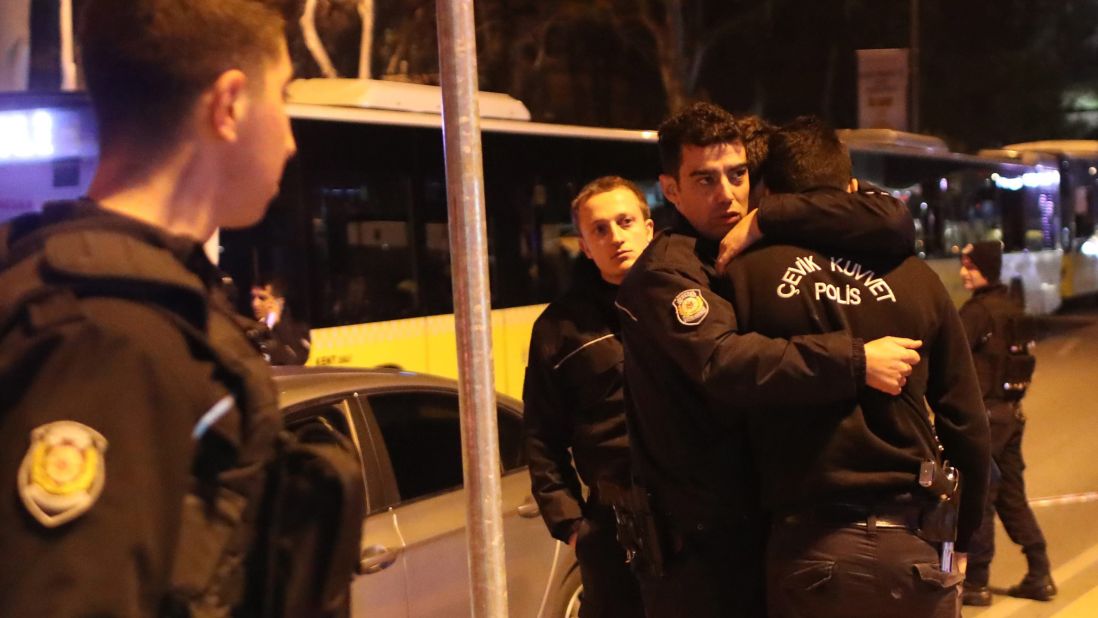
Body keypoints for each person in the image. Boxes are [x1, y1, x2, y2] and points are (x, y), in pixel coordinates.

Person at [0, 1, 355, 615]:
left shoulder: (152, 303)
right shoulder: (106, 336)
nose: (292, 141)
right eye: (285, 98)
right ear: (229, 105)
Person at [615, 102, 926, 617]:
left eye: (737, 175)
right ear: (671, 190)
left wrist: (770, 217)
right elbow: (725, 361)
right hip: (700, 546)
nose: (726, 193)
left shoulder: (755, 236)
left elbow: (891, 217)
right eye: (705, 180)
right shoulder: (667, 272)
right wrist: (854, 360)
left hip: (754, 523)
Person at [721, 116, 990, 618]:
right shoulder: (919, 279)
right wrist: (964, 535)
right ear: (848, 189)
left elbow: (725, 398)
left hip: (808, 548)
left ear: (773, 195)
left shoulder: (744, 275)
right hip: (914, 547)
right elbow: (968, 426)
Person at [523, 176, 650, 618]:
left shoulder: (691, 302)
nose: (615, 236)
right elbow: (541, 436)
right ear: (584, 243)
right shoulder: (560, 328)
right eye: (599, 229)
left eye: (625, 221)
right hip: (613, 531)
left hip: (697, 522)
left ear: (648, 228)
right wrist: (574, 526)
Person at [958, 241, 1055, 605]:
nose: (964, 272)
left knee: (978, 496)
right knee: (1012, 494)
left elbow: (953, 359)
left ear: (987, 268)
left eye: (970, 266)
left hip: (984, 418)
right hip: (1012, 416)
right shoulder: (1013, 308)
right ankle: (1039, 571)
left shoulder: (976, 312)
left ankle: (977, 583)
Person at [252, 275, 312, 365]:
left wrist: (277, 325)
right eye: (253, 297)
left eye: (262, 298)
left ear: (279, 303)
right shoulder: (251, 329)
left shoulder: (299, 329)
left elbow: (296, 360)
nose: (255, 304)